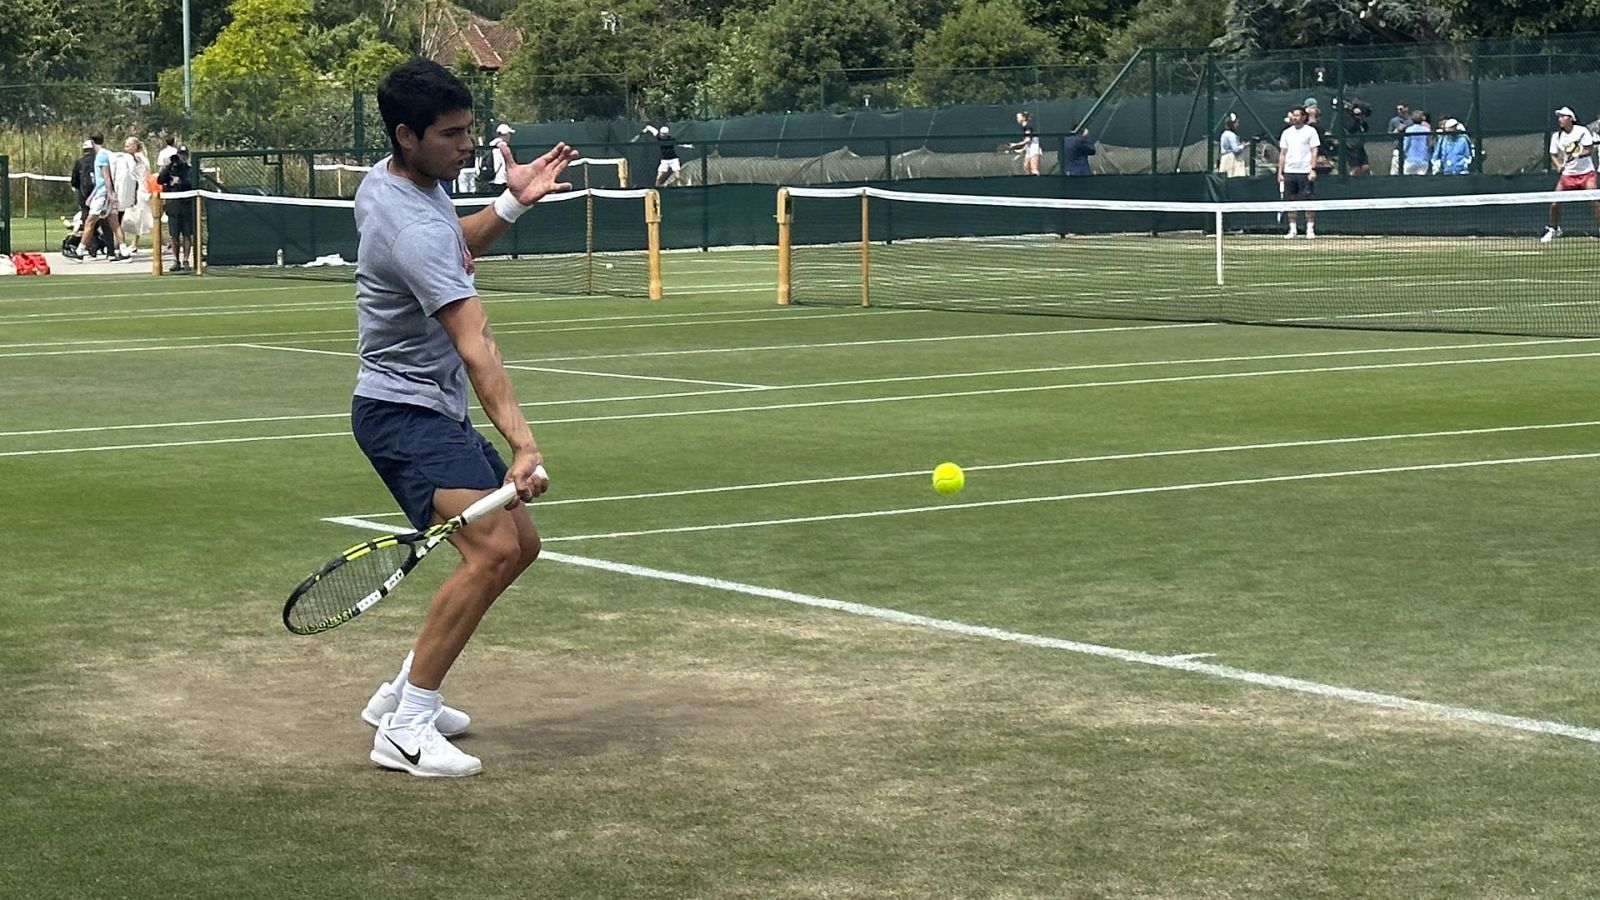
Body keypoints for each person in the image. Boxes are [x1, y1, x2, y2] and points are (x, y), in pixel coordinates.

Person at [352, 58, 568, 778]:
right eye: (450, 135)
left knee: (520, 544)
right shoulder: (409, 223)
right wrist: (523, 445)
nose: (465, 147)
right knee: (492, 552)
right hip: (402, 414)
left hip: (424, 408)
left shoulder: (403, 185)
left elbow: (457, 246)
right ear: (406, 135)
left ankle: (399, 695)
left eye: (469, 131)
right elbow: (476, 342)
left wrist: (511, 204)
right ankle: (407, 725)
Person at [1542, 106, 1600, 243]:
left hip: (1586, 173)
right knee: (1555, 203)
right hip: (1567, 175)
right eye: (1559, 117)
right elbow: (1553, 154)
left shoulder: (1582, 131)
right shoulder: (1557, 136)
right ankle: (1554, 229)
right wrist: (1558, 165)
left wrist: (1577, 155)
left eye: (1563, 116)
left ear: (1571, 119)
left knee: (1594, 201)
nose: (1560, 119)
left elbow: (1589, 150)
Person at [66, 133, 127, 261]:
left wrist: (109, 193)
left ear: (92, 143)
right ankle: (124, 251)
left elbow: (106, 177)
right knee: (114, 224)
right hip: (104, 193)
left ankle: (80, 251)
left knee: (89, 222)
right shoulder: (108, 154)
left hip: (103, 194)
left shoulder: (101, 156)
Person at [1277, 105, 1320, 239]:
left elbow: (1314, 151)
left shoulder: (1311, 131)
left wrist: (1312, 169)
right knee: (1291, 201)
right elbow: (1282, 154)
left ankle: (1310, 230)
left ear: (1303, 117)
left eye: (1297, 115)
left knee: (1308, 201)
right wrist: (1280, 172)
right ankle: (1293, 230)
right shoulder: (1286, 133)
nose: (1294, 118)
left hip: (1305, 172)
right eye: (1293, 115)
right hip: (1289, 172)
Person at [112, 137, 152, 257]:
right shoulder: (129, 158)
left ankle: (130, 243)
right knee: (126, 217)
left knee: (140, 217)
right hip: (131, 191)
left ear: (135, 146)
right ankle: (122, 243)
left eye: (129, 145)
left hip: (140, 191)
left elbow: (141, 176)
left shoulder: (138, 158)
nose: (126, 148)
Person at [157, 145, 195, 271]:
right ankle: (175, 260)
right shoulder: (171, 169)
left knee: (187, 234)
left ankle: (185, 260)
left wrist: (181, 181)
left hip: (186, 205)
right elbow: (160, 180)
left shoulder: (189, 170)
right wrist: (167, 167)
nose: (181, 158)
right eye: (180, 155)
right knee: (174, 235)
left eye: (184, 155)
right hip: (173, 206)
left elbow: (192, 183)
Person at [1009, 111, 1042, 176]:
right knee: (1026, 168)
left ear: (1023, 118)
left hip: (1034, 149)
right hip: (1029, 149)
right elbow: (1028, 143)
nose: (1017, 119)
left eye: (1018, 117)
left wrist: (1015, 144)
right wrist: (1022, 149)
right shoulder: (1024, 128)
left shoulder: (1028, 127)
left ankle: (1037, 182)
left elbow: (1028, 140)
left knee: (1034, 169)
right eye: (1017, 117)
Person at [1401, 110, 1431, 175]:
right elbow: (1429, 144)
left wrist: (1404, 154)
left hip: (1410, 160)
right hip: (1423, 160)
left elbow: (1405, 145)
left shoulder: (1409, 130)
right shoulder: (1426, 130)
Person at [1387, 102, 1410, 175]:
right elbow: (1389, 135)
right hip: (1397, 149)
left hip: (1409, 151)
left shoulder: (1411, 120)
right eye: (1398, 109)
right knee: (1394, 172)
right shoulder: (1394, 121)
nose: (1399, 111)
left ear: (1406, 109)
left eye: (1401, 109)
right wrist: (1397, 130)